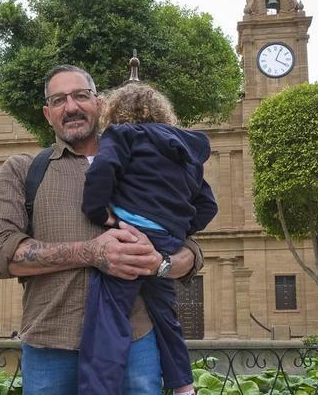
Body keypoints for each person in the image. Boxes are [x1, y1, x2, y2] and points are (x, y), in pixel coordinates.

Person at [0, 65, 204, 395]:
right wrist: (92, 252)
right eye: (58, 100)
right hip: (50, 343)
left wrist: (161, 263)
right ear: (47, 114)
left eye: (81, 95)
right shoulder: (24, 170)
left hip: (135, 341)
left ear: (99, 103)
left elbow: (190, 247)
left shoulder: (145, 160)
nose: (71, 106)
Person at [79, 83, 216, 395]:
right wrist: (176, 230)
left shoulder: (122, 135)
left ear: (115, 112)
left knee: (108, 318)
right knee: (167, 319)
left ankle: (98, 389)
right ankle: (184, 387)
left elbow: (103, 169)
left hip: (130, 237)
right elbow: (208, 205)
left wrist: (99, 213)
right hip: (166, 244)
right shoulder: (187, 153)